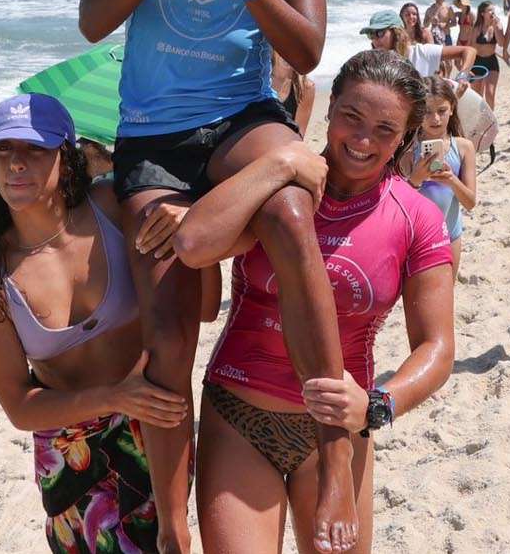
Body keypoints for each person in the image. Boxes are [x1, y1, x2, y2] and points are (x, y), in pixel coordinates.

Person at [78, 0, 356, 552]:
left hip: (241, 119)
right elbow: (93, 21)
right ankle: (173, 527)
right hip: (156, 136)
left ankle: (336, 449)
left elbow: (306, 47)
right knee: (168, 326)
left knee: (291, 208)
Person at [169, 50, 455, 554]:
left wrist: (378, 406)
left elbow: (436, 348)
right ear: (330, 109)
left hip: (342, 433)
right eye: (352, 118)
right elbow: (194, 245)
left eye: (384, 130)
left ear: (405, 138)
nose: (363, 141)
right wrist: (279, 162)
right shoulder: (279, 191)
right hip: (239, 415)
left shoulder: (416, 218)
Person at [0, 94, 185, 554]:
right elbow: (20, 406)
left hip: (154, 428)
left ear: (67, 155)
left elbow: (193, 292)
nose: (16, 164)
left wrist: (183, 219)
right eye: (3, 149)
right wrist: (114, 396)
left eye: (34, 149)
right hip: (68, 453)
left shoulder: (113, 206)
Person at [405, 76, 477, 275]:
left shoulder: (463, 148)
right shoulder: (408, 149)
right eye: (427, 112)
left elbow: (470, 202)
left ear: (452, 108)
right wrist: (415, 180)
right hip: (415, 238)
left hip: (451, 235)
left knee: (446, 299)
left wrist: (452, 180)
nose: (435, 118)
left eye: (442, 111)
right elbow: (398, 204)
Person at [360, 11, 474, 80]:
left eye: (380, 33)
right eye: (371, 35)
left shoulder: (422, 53)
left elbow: (468, 51)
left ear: (396, 32)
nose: (375, 39)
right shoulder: (374, 66)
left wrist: (463, 75)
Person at [271, 49, 317, 138]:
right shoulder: (256, 80)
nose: (288, 53)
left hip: (283, 147)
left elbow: (298, 137)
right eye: (283, 45)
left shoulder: (305, 88)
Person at [468, 1, 504, 107]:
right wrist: (468, 66)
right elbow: (471, 47)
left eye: (493, 10)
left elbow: (501, 43)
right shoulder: (477, 28)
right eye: (489, 10)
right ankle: (479, 118)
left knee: (490, 92)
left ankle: (491, 118)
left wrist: (496, 27)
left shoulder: (498, 25)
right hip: (477, 61)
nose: (492, 13)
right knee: (477, 95)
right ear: (483, 13)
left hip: (491, 61)